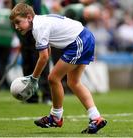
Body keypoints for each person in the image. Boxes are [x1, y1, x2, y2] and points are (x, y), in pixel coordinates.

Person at [10, 3, 107, 134]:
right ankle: (96, 118)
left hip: (79, 41)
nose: (16, 26)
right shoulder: (40, 22)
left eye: (18, 22)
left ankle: (56, 117)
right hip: (84, 37)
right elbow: (47, 50)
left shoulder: (38, 27)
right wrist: (35, 77)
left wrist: (34, 78)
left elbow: (43, 57)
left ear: (29, 17)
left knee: (53, 78)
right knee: (73, 82)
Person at [11, 0, 51, 104]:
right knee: (27, 65)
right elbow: (13, 18)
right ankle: (30, 96)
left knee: (42, 65)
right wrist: (20, 37)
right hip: (24, 37)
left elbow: (35, 14)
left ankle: (47, 96)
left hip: (35, 33)